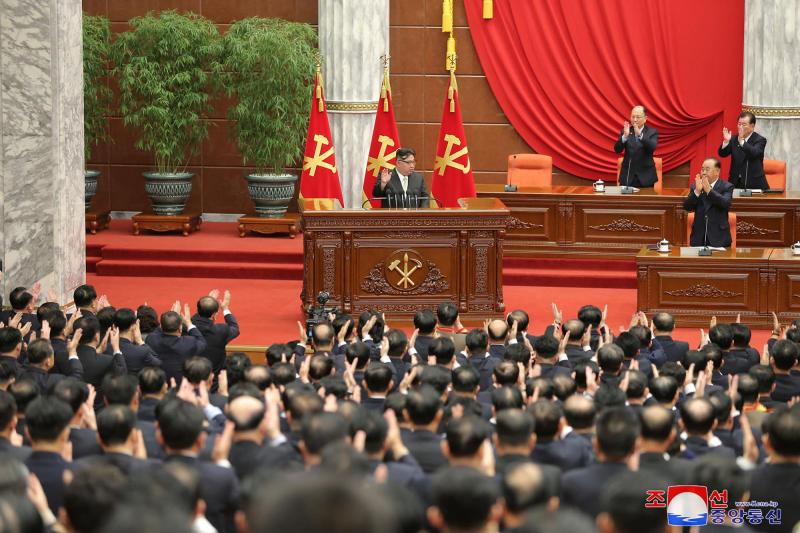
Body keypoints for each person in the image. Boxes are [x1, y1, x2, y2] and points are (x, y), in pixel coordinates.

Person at [684, 157, 734, 247]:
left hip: (719, 238)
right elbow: (687, 207)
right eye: (702, 169)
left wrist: (709, 191)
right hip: (698, 238)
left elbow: (726, 203)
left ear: (717, 172)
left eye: (707, 169)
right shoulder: (696, 186)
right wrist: (697, 192)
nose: (703, 172)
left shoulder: (726, 186)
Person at [718, 111, 768, 190]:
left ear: (752, 126)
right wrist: (726, 141)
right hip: (735, 182)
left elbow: (754, 153)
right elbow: (722, 154)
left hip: (754, 184)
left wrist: (742, 142)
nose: (740, 127)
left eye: (744, 125)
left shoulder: (760, 140)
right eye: (739, 124)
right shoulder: (734, 139)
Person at [613, 105, 659, 189]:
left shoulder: (652, 132)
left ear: (645, 118)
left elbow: (652, 147)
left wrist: (640, 135)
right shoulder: (626, 131)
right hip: (627, 176)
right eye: (633, 116)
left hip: (646, 177)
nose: (634, 120)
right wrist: (624, 137)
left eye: (638, 117)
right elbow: (617, 149)